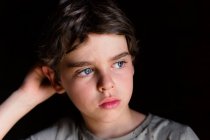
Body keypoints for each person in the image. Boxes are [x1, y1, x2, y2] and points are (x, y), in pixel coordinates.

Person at [0, 0, 199, 139]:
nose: (106, 84)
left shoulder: (175, 136)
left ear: (132, 62)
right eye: (85, 70)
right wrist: (24, 98)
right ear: (56, 80)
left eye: (119, 63)